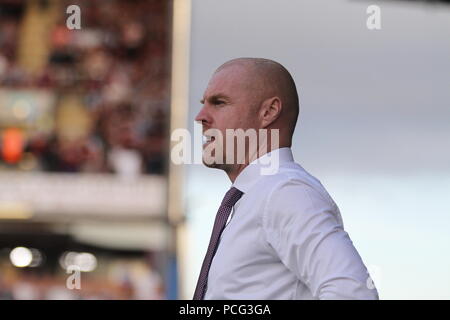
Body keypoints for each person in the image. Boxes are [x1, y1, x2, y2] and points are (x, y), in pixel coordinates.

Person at [192, 57, 379, 300]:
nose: (200, 116)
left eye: (219, 102)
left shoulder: (286, 192)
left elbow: (354, 293)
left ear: (268, 112)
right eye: (204, 103)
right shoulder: (257, 197)